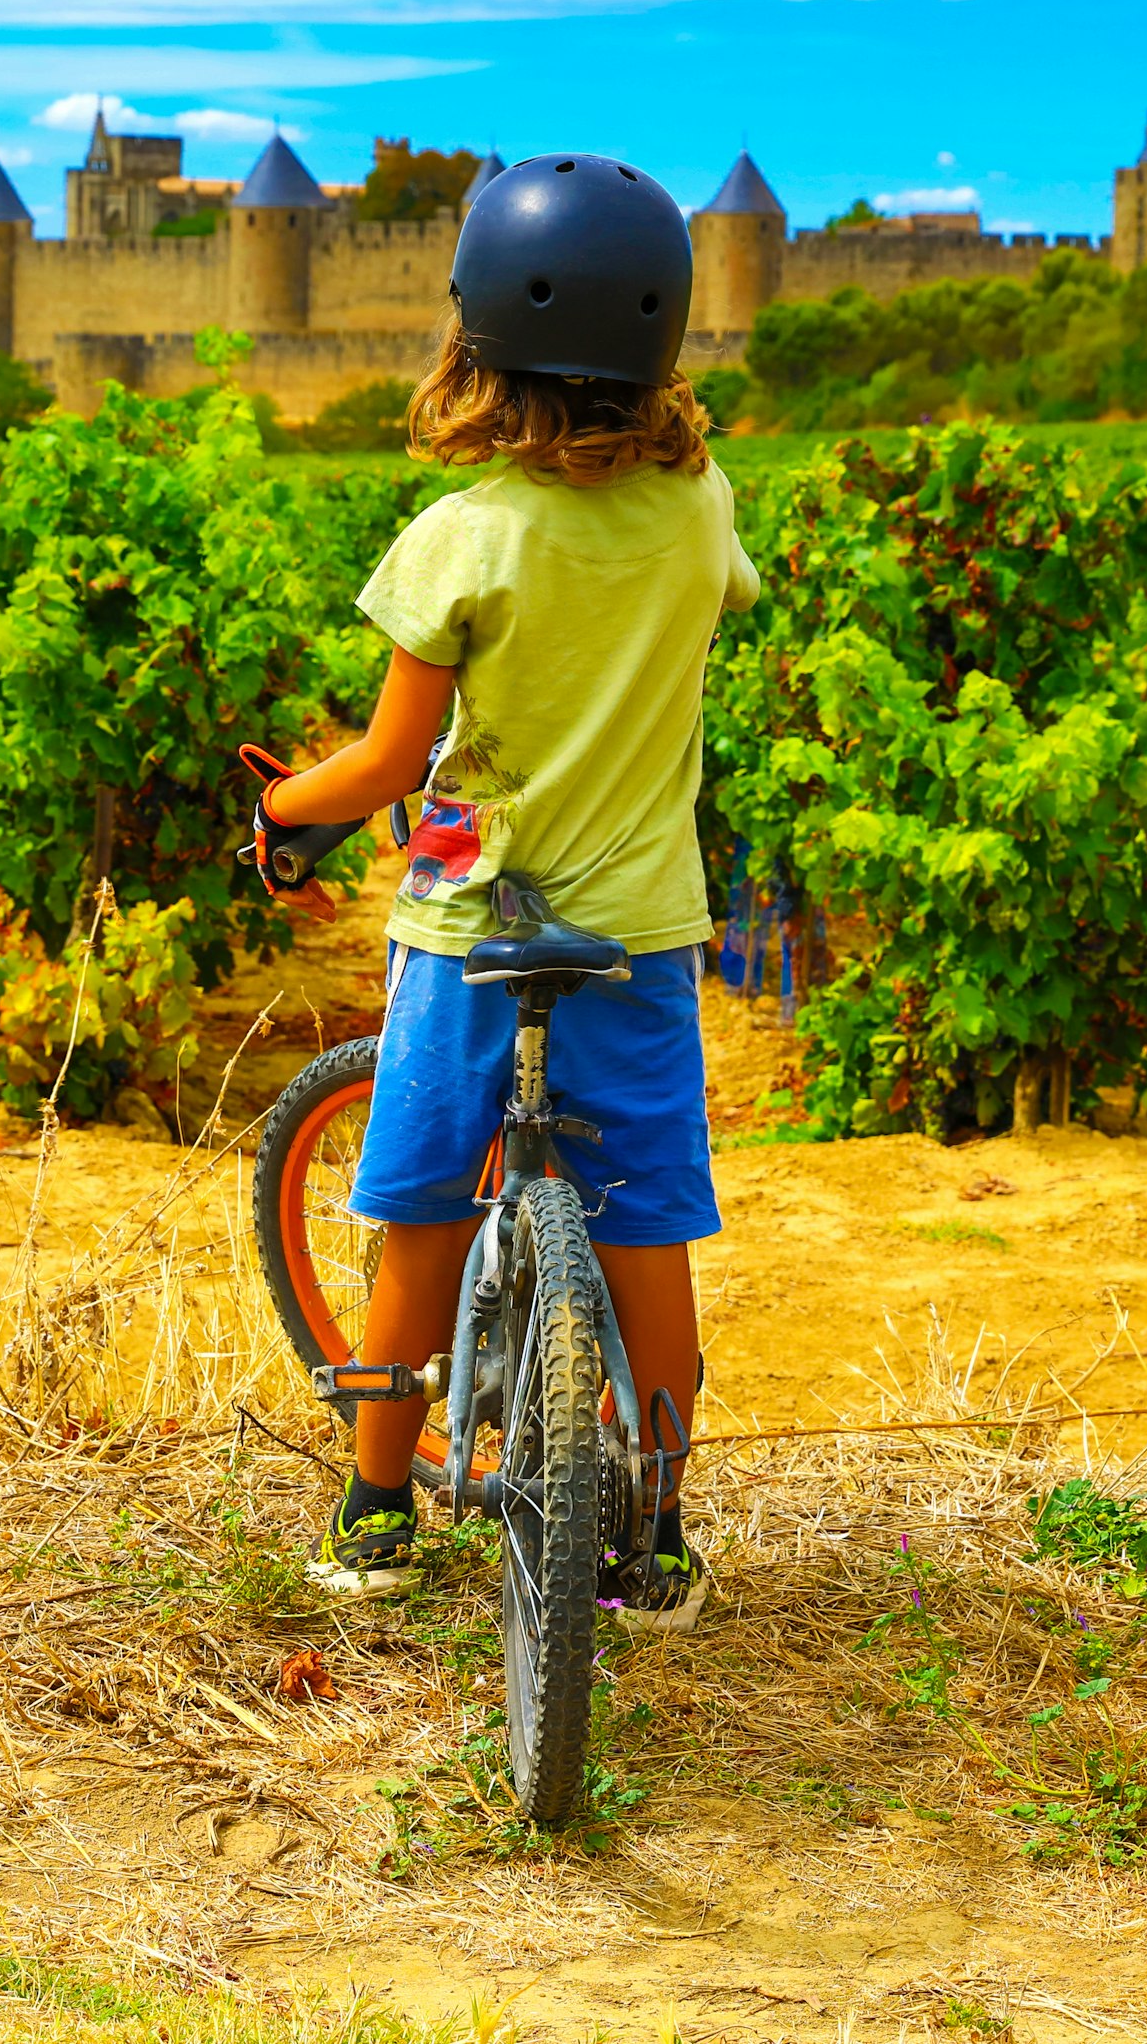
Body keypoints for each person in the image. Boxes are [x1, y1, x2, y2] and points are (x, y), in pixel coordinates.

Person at [243, 153, 757, 1629]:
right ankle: (658, 1530)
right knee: (648, 1233)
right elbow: (728, 591)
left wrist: (285, 806)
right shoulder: (698, 506)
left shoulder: (462, 534)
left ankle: (376, 1507)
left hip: (473, 927)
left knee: (417, 1219)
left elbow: (389, 759)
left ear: (475, 335)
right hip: (641, 934)